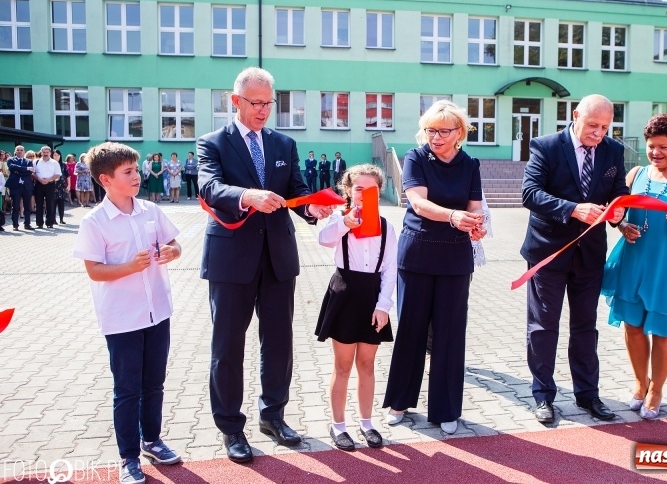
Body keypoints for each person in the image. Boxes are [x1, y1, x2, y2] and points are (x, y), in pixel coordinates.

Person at [197, 66, 333, 463]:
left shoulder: (283, 143)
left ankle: (273, 415)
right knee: (228, 347)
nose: (262, 110)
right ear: (235, 100)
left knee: (278, 343)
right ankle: (230, 427)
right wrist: (247, 196)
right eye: (254, 103)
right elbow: (210, 187)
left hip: (278, 259)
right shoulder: (213, 143)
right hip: (230, 260)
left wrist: (311, 208)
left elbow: (298, 189)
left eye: (268, 103)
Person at [73, 142, 183, 484]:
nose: (137, 176)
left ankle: (152, 440)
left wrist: (171, 252)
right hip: (122, 319)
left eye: (136, 170)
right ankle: (128, 457)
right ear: (106, 179)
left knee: (155, 383)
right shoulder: (95, 222)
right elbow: (94, 271)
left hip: (157, 312)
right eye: (129, 172)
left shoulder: (150, 210)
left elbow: (175, 244)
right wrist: (127, 267)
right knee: (127, 389)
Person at [520, 94, 627, 424]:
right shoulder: (546, 146)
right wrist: (572, 209)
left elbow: (618, 190)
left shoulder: (613, 150)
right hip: (548, 251)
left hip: (590, 255)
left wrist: (619, 212)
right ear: (576, 115)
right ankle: (543, 396)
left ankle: (588, 395)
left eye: (605, 128)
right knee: (543, 326)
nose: (598, 134)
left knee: (585, 326)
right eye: (593, 125)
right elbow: (530, 193)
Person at [382, 100, 486, 435]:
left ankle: (446, 409)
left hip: (456, 258)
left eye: (443, 131)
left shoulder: (470, 164)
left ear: (460, 133)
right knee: (411, 329)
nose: (435, 137)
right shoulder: (416, 157)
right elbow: (418, 203)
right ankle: (400, 402)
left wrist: (476, 225)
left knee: (450, 334)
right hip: (417, 255)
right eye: (430, 130)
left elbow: (474, 208)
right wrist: (454, 216)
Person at [601, 113, 667, 420]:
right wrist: (622, 227)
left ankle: (657, 389)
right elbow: (619, 213)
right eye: (651, 146)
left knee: (662, 328)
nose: (656, 153)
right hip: (634, 259)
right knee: (633, 326)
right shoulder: (636, 175)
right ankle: (639, 382)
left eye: (663, 146)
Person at [316, 164, 397, 451]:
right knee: (342, 365)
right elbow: (323, 239)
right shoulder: (340, 218)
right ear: (348, 191)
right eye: (358, 188)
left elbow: (390, 269)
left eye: (371, 189)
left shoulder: (386, 225)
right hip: (345, 293)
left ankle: (367, 422)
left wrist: (384, 306)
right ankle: (338, 426)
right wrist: (344, 223)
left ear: (379, 191)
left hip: (372, 297)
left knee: (366, 363)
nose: (364, 194)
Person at [32, 145, 61, 229]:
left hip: (50, 185)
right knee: (39, 204)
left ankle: (50, 223)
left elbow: (58, 174)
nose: (45, 154)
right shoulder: (36, 162)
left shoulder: (54, 163)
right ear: (41, 153)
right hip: (39, 184)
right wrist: (39, 179)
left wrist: (49, 179)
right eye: (44, 152)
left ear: (50, 153)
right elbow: (33, 173)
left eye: (47, 152)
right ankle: (39, 223)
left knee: (50, 204)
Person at [7, 146, 34, 230]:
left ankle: (27, 224)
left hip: (26, 186)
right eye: (17, 150)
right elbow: (12, 168)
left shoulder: (29, 161)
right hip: (15, 186)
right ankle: (15, 225)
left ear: (24, 151)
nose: (19, 151)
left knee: (27, 206)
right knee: (15, 206)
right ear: (15, 151)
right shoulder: (11, 160)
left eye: (21, 150)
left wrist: (18, 171)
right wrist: (25, 169)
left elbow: (29, 172)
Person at [52, 150, 69, 225]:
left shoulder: (63, 165)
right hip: (53, 185)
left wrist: (69, 185)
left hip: (62, 186)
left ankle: (61, 219)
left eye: (57, 155)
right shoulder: (50, 164)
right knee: (53, 203)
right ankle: (53, 219)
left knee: (61, 203)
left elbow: (68, 175)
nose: (56, 156)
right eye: (55, 155)